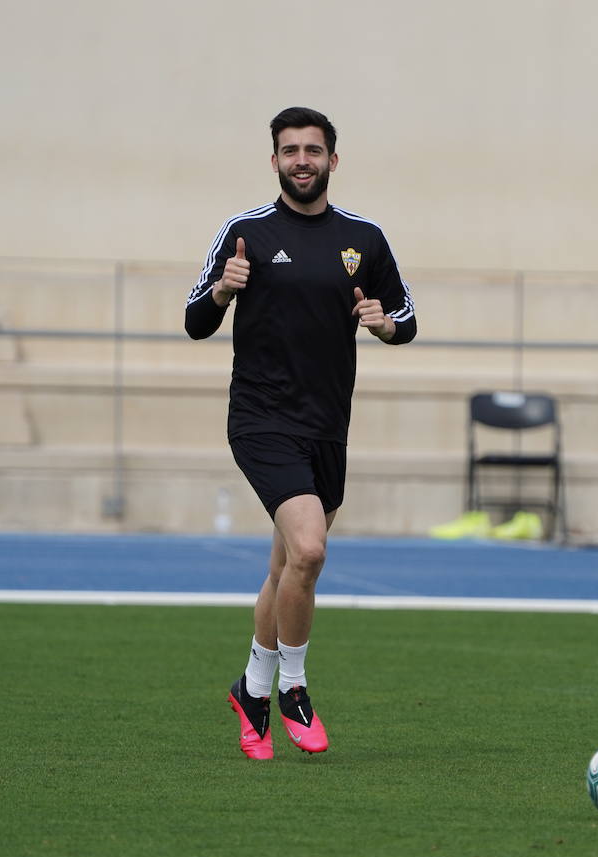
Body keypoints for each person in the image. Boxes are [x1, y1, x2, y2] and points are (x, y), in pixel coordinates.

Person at [184, 107, 417, 759]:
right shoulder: (245, 234)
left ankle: (250, 688)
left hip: (327, 427)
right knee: (310, 550)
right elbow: (194, 320)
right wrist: (225, 292)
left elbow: (405, 314)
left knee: (288, 567)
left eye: (313, 150)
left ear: (332, 161)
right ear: (275, 161)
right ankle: (293, 685)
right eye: (290, 150)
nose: (302, 160)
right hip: (261, 420)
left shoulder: (363, 239)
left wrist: (384, 323)